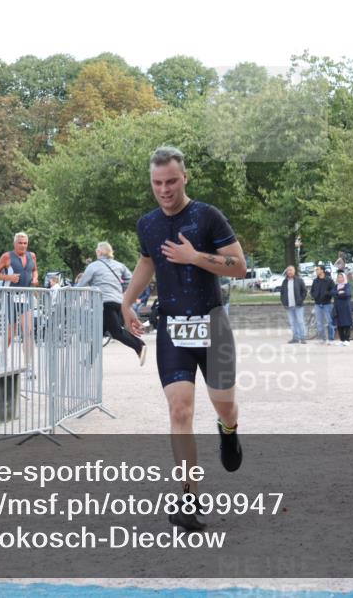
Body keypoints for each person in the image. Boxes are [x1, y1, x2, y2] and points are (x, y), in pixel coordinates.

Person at [120, 146, 247, 532]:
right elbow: (147, 261)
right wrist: (127, 302)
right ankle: (188, 497)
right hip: (173, 327)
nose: (165, 189)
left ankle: (229, 431)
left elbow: (239, 267)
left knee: (224, 406)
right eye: (157, 183)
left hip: (213, 325)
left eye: (172, 181)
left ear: (185, 178)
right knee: (180, 410)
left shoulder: (207, 217)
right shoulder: (148, 224)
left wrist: (195, 257)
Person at [77, 241, 147, 364]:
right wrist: (121, 289)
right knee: (99, 332)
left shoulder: (93, 266)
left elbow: (81, 284)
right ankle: (89, 360)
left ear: (99, 252)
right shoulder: (119, 265)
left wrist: (70, 291)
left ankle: (139, 345)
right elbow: (130, 279)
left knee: (116, 332)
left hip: (104, 303)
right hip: (118, 302)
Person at [0, 233, 39, 368]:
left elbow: (35, 270)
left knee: (28, 332)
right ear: (15, 243)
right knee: (11, 333)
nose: (23, 245)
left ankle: (28, 365)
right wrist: (9, 278)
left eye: (25, 243)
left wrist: (35, 279)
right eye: (20, 243)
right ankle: (2, 357)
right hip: (10, 297)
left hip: (26, 296)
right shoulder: (7, 256)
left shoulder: (32, 256)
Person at [279, 265, 308, 344]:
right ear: (287, 272)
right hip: (288, 306)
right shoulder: (285, 281)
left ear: (294, 271)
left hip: (298, 305)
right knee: (292, 322)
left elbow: (304, 291)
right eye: (288, 270)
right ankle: (295, 338)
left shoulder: (299, 280)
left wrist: (301, 300)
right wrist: (283, 301)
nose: (290, 272)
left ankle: (303, 338)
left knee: (300, 321)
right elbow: (282, 293)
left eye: (291, 270)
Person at [310, 265, 335, 344]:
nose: (316, 271)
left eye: (317, 269)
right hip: (317, 304)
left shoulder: (329, 280)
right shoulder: (315, 281)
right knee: (319, 323)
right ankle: (322, 339)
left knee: (330, 322)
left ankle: (331, 339)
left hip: (327, 304)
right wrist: (314, 296)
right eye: (316, 270)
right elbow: (312, 291)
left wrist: (327, 294)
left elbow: (334, 291)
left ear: (322, 270)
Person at [332, 271, 353, 345]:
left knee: (346, 323)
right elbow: (333, 293)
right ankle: (342, 339)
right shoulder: (335, 286)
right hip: (337, 307)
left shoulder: (347, 285)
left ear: (344, 278)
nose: (340, 279)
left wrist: (338, 293)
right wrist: (340, 292)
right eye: (338, 277)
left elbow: (347, 293)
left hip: (345, 307)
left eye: (341, 277)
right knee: (339, 323)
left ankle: (347, 339)